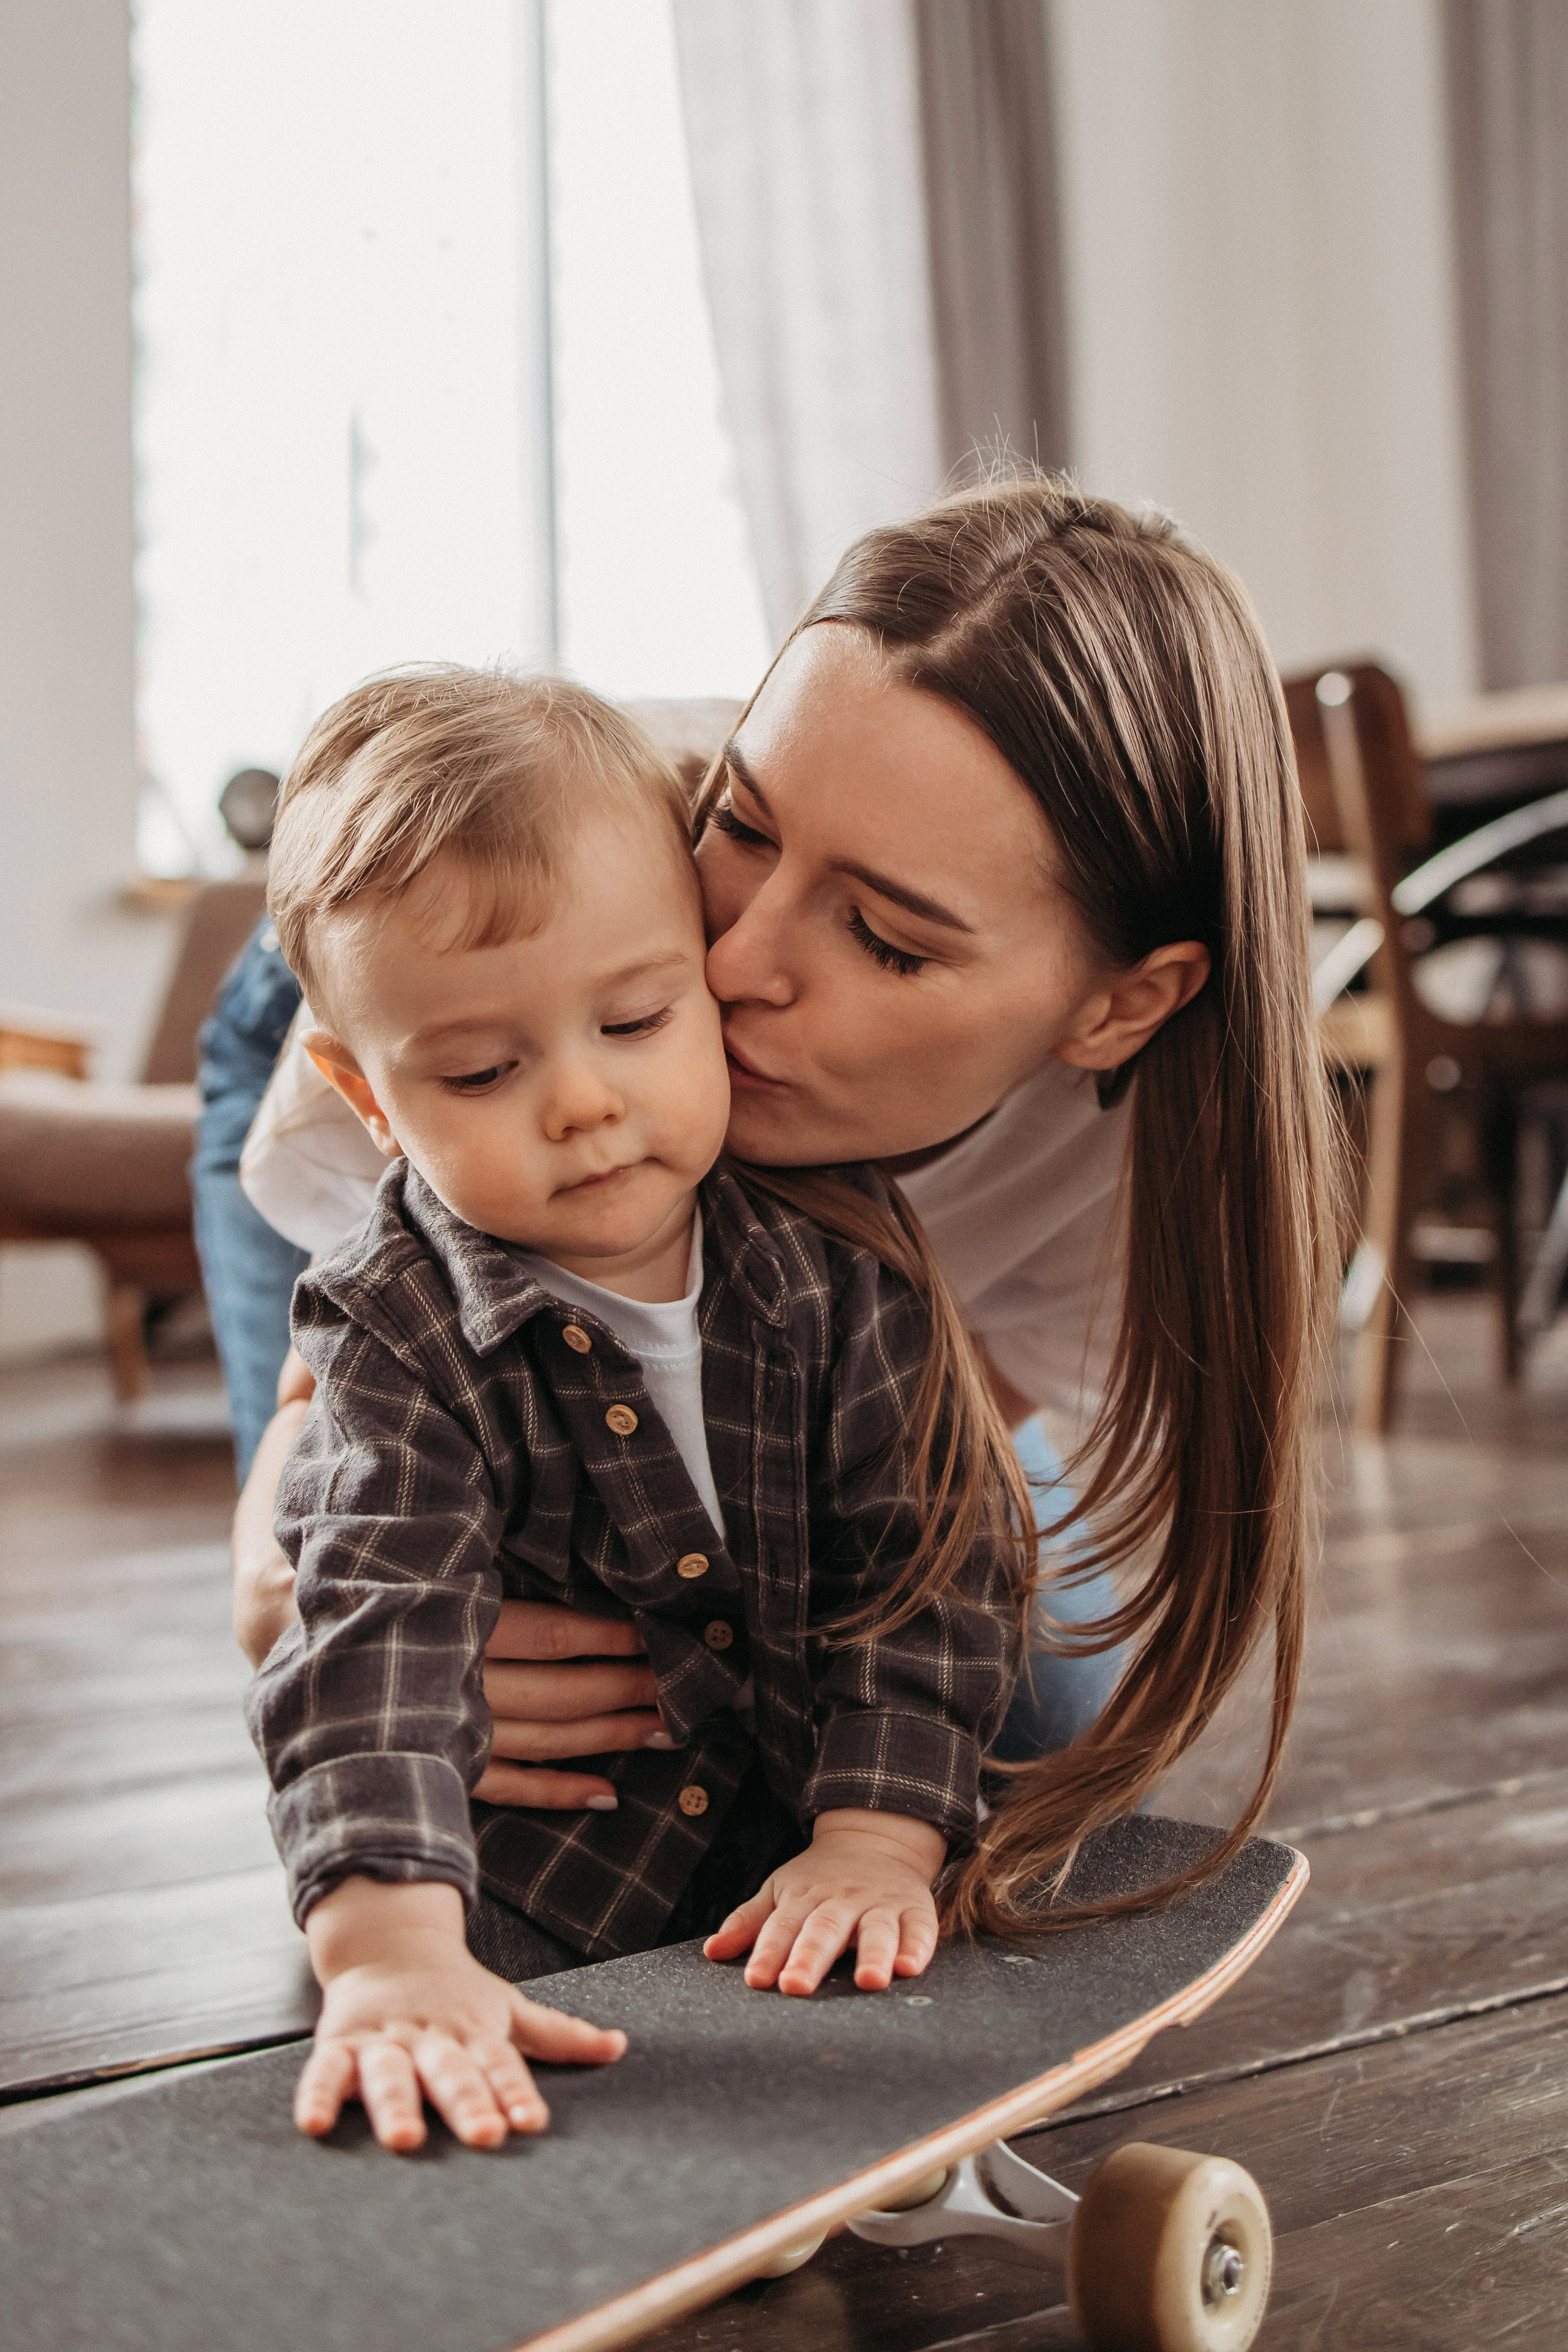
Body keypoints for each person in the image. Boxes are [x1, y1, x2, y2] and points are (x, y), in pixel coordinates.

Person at [231, 473, 1336, 1928]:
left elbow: (886, 1513)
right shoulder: (497, 962)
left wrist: (864, 1820)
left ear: (1118, 1006)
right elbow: (355, 1410)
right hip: (346, 994)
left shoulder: (1149, 1165)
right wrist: (290, 1589)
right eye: (741, 828)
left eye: (881, 938)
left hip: (828, 1351)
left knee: (1023, 1716)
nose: (734, 959)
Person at [248, 665, 1035, 2153]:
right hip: (542, 1897)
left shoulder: (835, 1248)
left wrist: (875, 1836)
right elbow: (373, 1631)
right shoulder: (392, 1323)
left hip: (805, 1847)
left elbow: (930, 1556)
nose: (582, 1105)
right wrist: (388, 1951)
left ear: (704, 965)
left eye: (634, 1020)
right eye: (481, 1070)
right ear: (369, 1103)